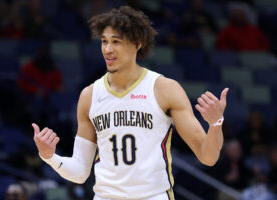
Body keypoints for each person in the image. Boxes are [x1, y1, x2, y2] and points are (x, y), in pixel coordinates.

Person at [32, 6, 229, 200]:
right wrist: (50, 156)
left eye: (116, 42)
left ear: (137, 44)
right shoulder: (89, 96)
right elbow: (80, 171)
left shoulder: (164, 89)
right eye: (104, 42)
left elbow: (208, 157)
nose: (108, 50)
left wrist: (215, 124)